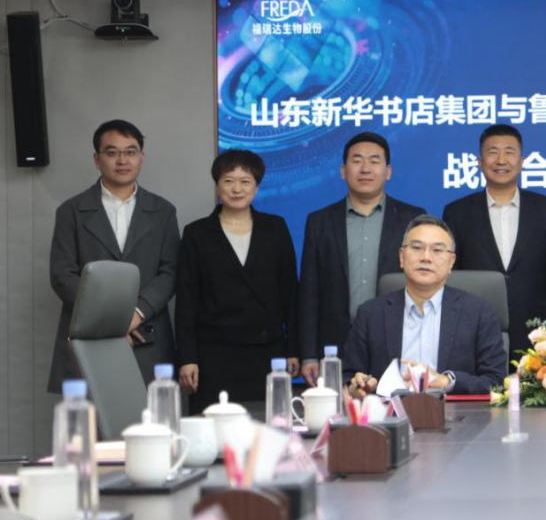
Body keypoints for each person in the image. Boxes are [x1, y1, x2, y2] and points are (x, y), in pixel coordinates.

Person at [49, 120, 180, 392]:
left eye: (130, 152)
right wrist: (111, 321)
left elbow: (170, 272)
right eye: (112, 152)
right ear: (97, 159)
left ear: (141, 158)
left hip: (146, 334)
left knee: (154, 415)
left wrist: (136, 314)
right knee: (88, 417)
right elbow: (62, 275)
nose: (122, 160)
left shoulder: (163, 211)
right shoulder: (71, 211)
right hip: (90, 338)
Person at [175, 150, 300, 414]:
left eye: (245, 181)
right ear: (217, 185)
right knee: (213, 429)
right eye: (229, 181)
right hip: (213, 356)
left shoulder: (275, 228)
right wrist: (187, 358)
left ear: (257, 186)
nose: (237, 189)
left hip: (267, 353)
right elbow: (186, 301)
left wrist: (293, 350)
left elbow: (291, 294)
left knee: (267, 429)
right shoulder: (197, 233)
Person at [299, 132, 424, 385]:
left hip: (398, 339)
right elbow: (309, 292)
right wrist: (309, 355)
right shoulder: (320, 221)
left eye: (374, 161)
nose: (365, 168)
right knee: (340, 409)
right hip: (336, 346)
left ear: (388, 171)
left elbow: (424, 283)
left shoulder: (413, 218)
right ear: (343, 171)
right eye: (357, 161)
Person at [343, 215, 507, 396]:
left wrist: (448, 380)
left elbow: (496, 381)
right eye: (416, 248)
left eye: (437, 250)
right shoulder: (370, 314)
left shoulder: (479, 313)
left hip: (454, 412)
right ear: (401, 256)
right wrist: (357, 385)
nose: (426, 257)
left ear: (451, 262)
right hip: (390, 411)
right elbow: (349, 377)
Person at [442, 124, 546, 356]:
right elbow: (451, 277)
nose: (501, 160)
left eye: (509, 152)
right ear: (480, 162)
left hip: (537, 335)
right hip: (474, 330)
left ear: (521, 162)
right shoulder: (457, 212)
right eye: (493, 152)